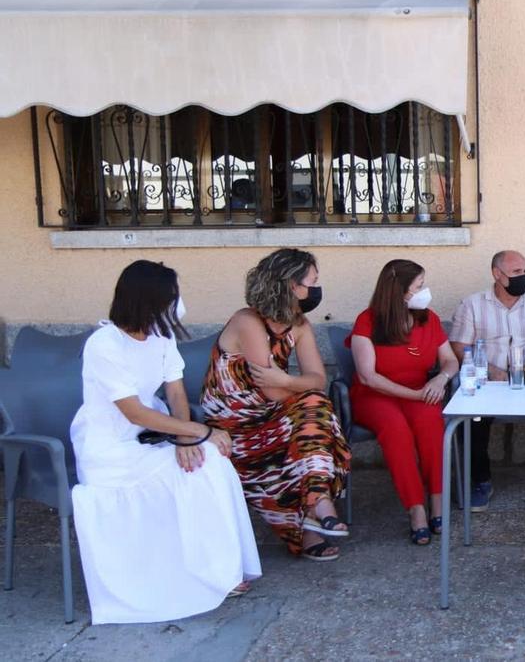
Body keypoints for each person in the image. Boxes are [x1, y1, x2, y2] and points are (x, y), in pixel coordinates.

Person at [70, 260, 260, 624]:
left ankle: (220, 567)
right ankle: (194, 569)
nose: (178, 303)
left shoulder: (161, 336)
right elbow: (134, 412)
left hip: (153, 436)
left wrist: (182, 436)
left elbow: (175, 390)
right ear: (148, 300)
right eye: (172, 297)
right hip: (110, 449)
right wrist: (199, 432)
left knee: (210, 459)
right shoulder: (104, 345)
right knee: (204, 454)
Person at [202, 248, 351, 561]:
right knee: (314, 412)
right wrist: (290, 383)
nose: (315, 289)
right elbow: (272, 392)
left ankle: (315, 502)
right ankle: (317, 505)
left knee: (314, 406)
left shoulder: (299, 324)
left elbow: (317, 378)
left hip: (274, 414)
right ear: (291, 286)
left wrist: (285, 380)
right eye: (311, 281)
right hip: (235, 425)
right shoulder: (248, 322)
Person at [348, 259, 458, 545]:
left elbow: (450, 360)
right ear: (399, 292)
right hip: (376, 395)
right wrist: (417, 395)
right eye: (419, 286)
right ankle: (416, 509)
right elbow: (368, 376)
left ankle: (437, 502)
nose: (425, 291)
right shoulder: (367, 320)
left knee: (431, 424)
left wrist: (440, 379)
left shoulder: (428, 318)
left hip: (420, 390)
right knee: (395, 429)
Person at [449, 250, 525, 510]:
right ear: (497, 274)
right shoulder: (473, 304)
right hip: (487, 380)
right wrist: (492, 372)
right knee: (472, 419)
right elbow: (459, 346)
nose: (523, 277)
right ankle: (481, 481)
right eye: (516, 272)